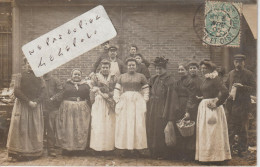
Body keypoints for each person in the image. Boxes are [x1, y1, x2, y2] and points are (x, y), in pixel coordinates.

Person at [6, 58, 45, 161]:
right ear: (25, 64)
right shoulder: (20, 76)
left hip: (35, 106)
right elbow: (17, 91)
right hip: (23, 106)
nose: (30, 65)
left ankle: (33, 153)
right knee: (21, 128)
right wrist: (28, 102)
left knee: (34, 128)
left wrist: (36, 101)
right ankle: (18, 152)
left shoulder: (40, 77)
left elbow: (43, 91)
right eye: (28, 63)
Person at [195, 60, 231, 162]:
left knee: (212, 132)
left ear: (210, 69)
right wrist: (202, 97)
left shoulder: (215, 78)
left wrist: (217, 103)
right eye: (201, 68)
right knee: (205, 132)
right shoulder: (206, 79)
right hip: (204, 107)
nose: (202, 70)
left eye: (205, 68)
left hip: (212, 108)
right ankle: (206, 157)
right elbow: (208, 91)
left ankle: (216, 158)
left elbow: (225, 92)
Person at [113, 58, 149, 156]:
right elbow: (117, 90)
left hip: (137, 101)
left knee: (137, 123)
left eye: (133, 65)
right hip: (125, 101)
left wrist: (144, 100)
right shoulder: (121, 77)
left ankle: (137, 147)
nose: (131, 67)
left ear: (136, 66)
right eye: (129, 65)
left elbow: (146, 90)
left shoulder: (141, 76)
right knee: (125, 123)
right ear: (126, 66)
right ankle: (125, 148)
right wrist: (117, 100)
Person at [146, 56, 179, 159]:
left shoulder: (170, 80)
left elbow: (171, 98)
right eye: (156, 69)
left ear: (165, 69)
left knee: (161, 130)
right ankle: (153, 151)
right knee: (152, 128)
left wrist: (169, 114)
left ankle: (162, 153)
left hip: (163, 108)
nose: (158, 71)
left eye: (160, 69)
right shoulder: (154, 78)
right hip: (153, 107)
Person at [225, 54, 256, 156]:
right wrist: (227, 94)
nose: (238, 64)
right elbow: (225, 86)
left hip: (243, 106)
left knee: (243, 129)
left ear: (244, 62)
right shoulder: (230, 74)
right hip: (232, 106)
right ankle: (230, 149)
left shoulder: (249, 74)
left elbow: (254, 89)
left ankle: (242, 150)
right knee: (231, 128)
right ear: (234, 63)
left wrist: (242, 87)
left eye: (240, 62)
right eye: (236, 62)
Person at [55, 69, 91, 153]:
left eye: (78, 74)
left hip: (81, 109)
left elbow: (88, 97)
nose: (76, 76)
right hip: (68, 109)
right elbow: (61, 95)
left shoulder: (85, 85)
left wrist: (90, 107)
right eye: (75, 74)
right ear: (71, 75)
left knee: (80, 128)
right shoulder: (66, 84)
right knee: (68, 127)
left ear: (81, 76)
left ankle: (80, 149)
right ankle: (68, 148)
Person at [89, 59, 117, 152]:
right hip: (99, 102)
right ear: (100, 68)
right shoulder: (95, 77)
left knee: (109, 123)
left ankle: (109, 148)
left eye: (107, 67)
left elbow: (117, 89)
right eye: (103, 67)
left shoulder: (113, 77)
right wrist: (98, 90)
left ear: (109, 68)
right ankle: (97, 147)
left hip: (110, 101)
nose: (105, 69)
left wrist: (109, 94)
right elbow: (92, 88)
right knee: (98, 123)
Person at [182, 56, 202, 160]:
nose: (192, 70)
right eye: (190, 68)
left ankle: (198, 153)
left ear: (198, 69)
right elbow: (188, 97)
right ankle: (189, 154)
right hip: (190, 107)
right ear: (188, 70)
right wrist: (187, 110)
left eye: (194, 68)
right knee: (189, 130)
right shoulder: (186, 81)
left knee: (198, 130)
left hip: (199, 107)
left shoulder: (201, 80)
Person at [42, 72, 63, 157]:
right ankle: (38, 148)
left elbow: (61, 92)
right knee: (39, 128)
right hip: (39, 107)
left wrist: (53, 98)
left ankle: (51, 149)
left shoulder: (55, 80)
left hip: (52, 108)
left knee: (50, 128)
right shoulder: (39, 79)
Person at [174, 63, 190, 159]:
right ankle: (179, 153)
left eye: (182, 70)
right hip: (178, 105)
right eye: (179, 70)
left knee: (187, 128)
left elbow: (191, 96)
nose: (180, 71)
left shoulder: (190, 81)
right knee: (179, 127)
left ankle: (187, 153)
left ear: (186, 70)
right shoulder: (178, 81)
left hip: (187, 105)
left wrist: (187, 109)